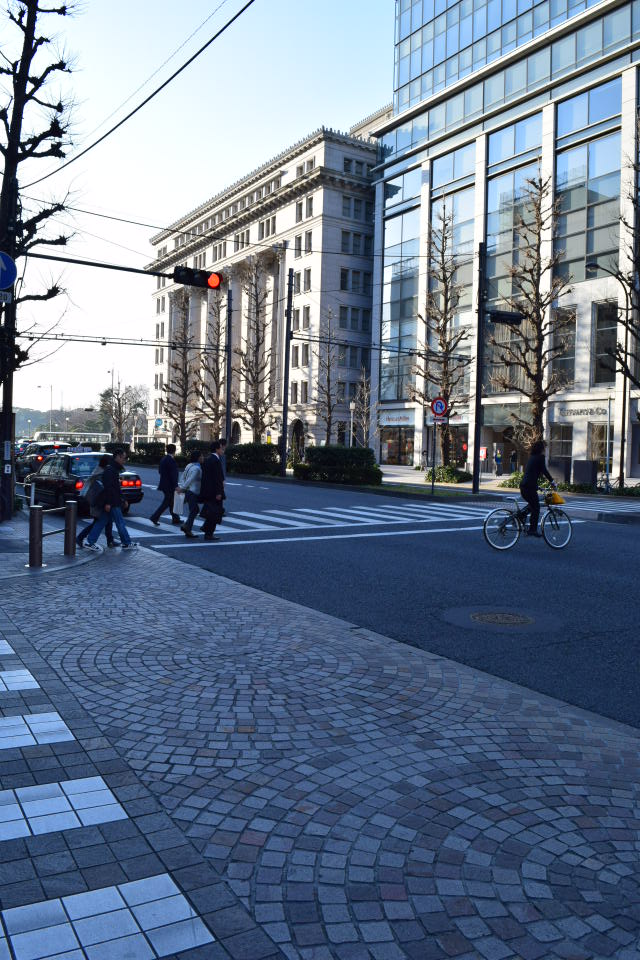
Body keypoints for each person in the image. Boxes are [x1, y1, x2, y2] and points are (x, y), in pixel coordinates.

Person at [85, 448, 138, 552]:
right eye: (124, 458)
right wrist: (109, 502)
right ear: (117, 457)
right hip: (113, 501)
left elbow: (115, 487)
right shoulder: (110, 470)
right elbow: (109, 488)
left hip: (112, 501)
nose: (124, 460)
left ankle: (90, 541)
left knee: (102, 521)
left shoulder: (112, 469)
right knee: (120, 522)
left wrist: (123, 499)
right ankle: (126, 542)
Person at [77, 454, 118, 549]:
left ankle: (110, 540)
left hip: (98, 501)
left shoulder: (99, 470)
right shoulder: (101, 474)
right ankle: (80, 537)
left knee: (107, 521)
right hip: (99, 502)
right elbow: (105, 489)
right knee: (98, 522)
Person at [520, 439, 557, 537]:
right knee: (536, 507)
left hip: (525, 486)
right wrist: (552, 482)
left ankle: (520, 516)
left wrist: (538, 486)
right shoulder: (540, 457)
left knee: (532, 505)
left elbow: (531, 474)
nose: (545, 450)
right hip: (529, 487)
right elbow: (544, 470)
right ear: (541, 448)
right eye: (545, 447)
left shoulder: (532, 457)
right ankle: (532, 530)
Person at [199, 440, 225, 541]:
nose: (222, 449)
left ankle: (206, 528)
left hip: (208, 490)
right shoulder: (215, 461)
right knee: (215, 513)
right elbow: (217, 478)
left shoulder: (208, 459)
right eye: (221, 448)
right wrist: (219, 492)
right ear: (217, 449)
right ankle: (209, 533)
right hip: (215, 491)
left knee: (211, 511)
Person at [150, 443, 180, 526]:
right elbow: (173, 475)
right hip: (169, 485)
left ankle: (176, 518)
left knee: (171, 502)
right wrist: (176, 485)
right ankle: (154, 517)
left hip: (164, 484)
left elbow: (160, 471)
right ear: (174, 451)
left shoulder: (163, 459)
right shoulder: (171, 460)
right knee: (167, 502)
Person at [178, 449, 203, 538]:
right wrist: (182, 488)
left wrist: (182, 486)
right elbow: (190, 479)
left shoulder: (189, 465)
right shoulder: (197, 468)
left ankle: (187, 527)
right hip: (192, 492)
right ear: (198, 458)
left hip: (188, 492)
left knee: (195, 510)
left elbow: (183, 477)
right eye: (201, 456)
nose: (202, 458)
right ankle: (187, 528)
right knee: (194, 510)